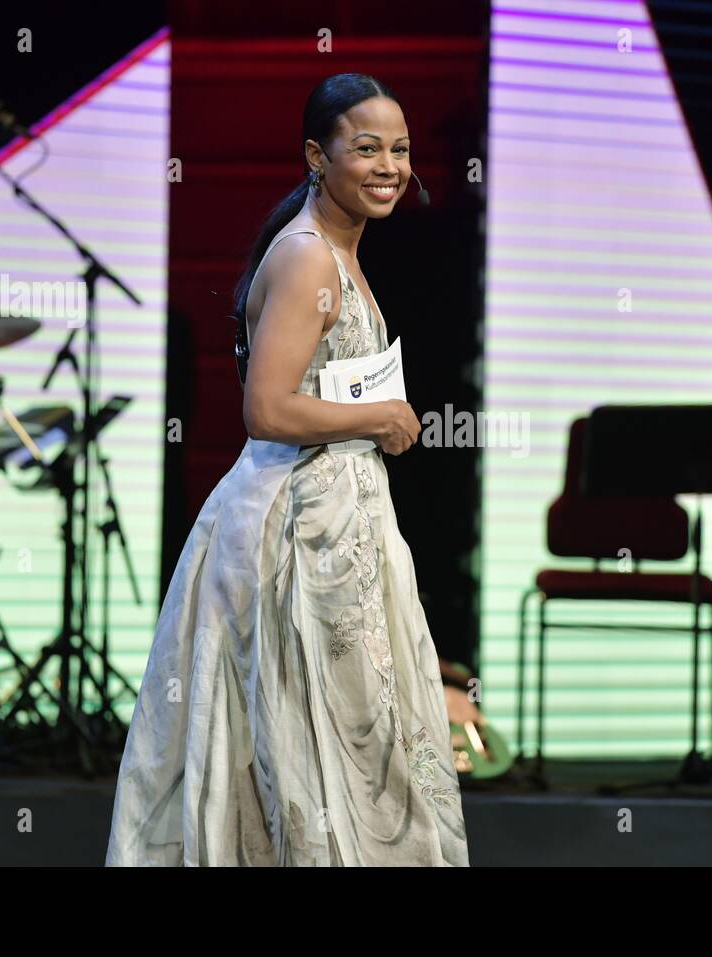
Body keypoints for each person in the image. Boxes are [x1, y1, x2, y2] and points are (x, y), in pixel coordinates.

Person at [106, 73, 469, 866]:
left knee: (349, 749)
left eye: (400, 150)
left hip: (337, 525)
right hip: (295, 535)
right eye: (365, 147)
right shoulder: (308, 258)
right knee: (317, 748)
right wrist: (378, 417)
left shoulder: (336, 251)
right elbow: (267, 409)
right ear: (317, 155)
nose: (389, 166)